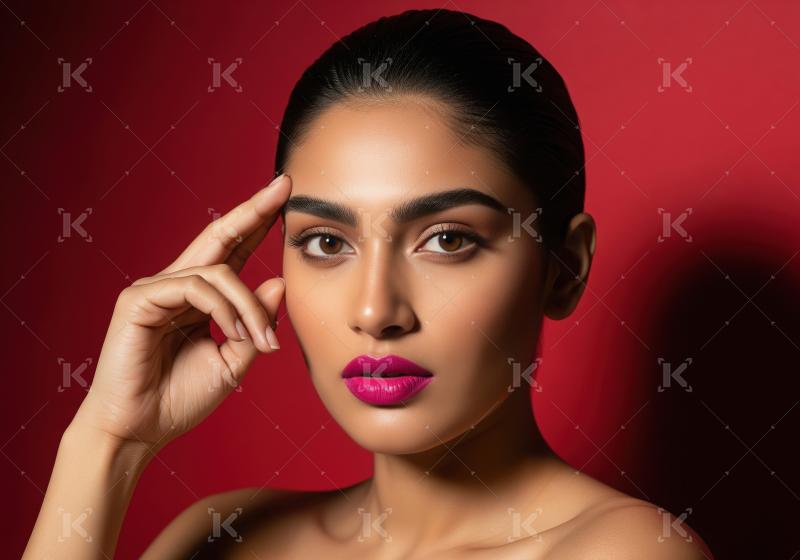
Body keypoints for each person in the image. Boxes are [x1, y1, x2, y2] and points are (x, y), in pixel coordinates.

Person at [24, 8, 710, 559]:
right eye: (327, 243)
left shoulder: (627, 551)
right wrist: (110, 440)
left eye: (447, 239)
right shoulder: (219, 535)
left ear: (564, 267)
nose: (376, 310)